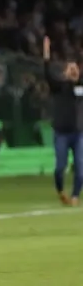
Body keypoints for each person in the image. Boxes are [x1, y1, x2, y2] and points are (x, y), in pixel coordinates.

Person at [43, 36, 83, 206]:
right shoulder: (58, 86)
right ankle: (61, 191)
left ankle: (75, 195)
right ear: (65, 72)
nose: (74, 71)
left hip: (79, 133)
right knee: (60, 167)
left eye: (76, 68)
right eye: (71, 68)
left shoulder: (81, 86)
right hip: (61, 133)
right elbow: (47, 73)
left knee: (81, 166)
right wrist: (46, 53)